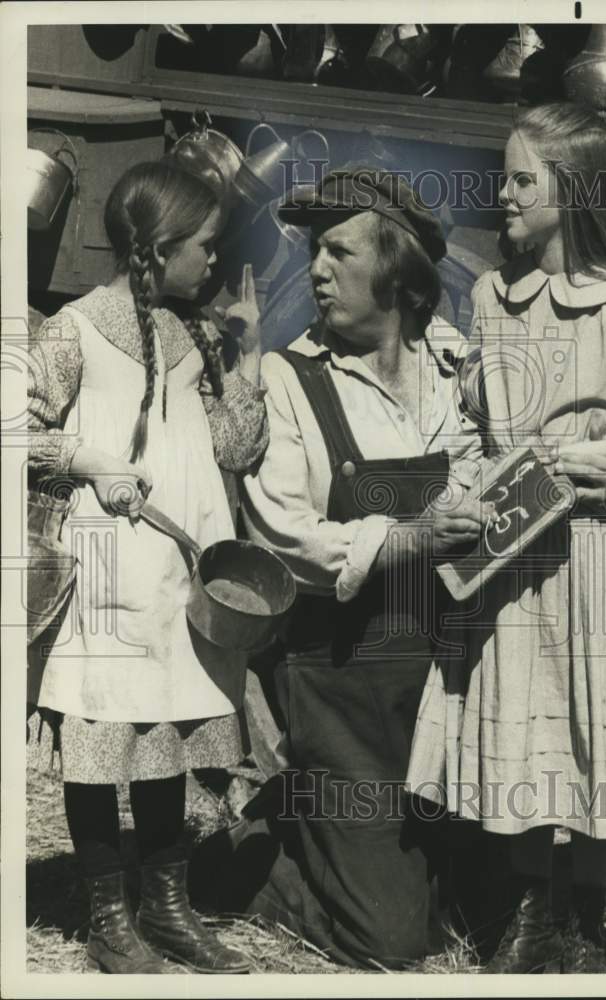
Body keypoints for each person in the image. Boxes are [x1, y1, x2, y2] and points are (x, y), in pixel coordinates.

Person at [405, 101, 606, 974]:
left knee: (581, 722)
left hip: (583, 556)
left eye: (523, 180)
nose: (503, 195)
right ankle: (525, 915)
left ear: (573, 193)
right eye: (504, 176)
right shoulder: (489, 298)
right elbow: (471, 423)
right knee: (520, 726)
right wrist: (466, 491)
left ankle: (577, 922)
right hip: (506, 546)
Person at [188, 166, 497, 969]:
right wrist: (409, 539)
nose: (317, 269)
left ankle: (310, 820)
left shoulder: (452, 369)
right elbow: (283, 532)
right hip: (339, 669)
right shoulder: (292, 380)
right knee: (392, 944)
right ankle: (258, 862)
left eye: (339, 251)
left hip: (441, 663)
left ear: (397, 270)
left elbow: (485, 470)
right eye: (314, 252)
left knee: (472, 913)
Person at [26, 160, 268, 974]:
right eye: (203, 246)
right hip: (108, 570)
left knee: (165, 727)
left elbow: (238, 447)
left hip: (183, 571)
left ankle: (166, 910)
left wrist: (251, 360)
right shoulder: (77, 329)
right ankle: (107, 918)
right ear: (158, 248)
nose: (212, 261)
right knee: (102, 737)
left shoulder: (195, 331)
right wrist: (92, 460)